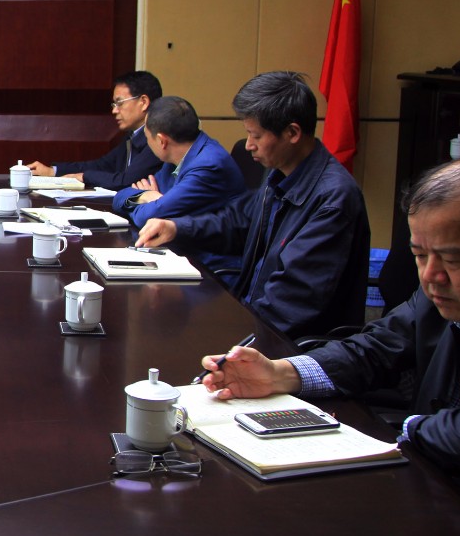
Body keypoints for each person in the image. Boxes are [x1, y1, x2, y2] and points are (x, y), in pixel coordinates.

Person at [199, 159, 460, 536]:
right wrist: (281, 374)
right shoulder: (451, 287)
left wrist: (393, 435)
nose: (431, 277)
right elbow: (377, 346)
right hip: (447, 505)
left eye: (453, 260)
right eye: (420, 255)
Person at [135, 71, 368, 340]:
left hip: (292, 346)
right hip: (255, 321)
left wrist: (236, 336)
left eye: (255, 135)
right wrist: (177, 228)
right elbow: (239, 222)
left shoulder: (332, 200)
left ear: (292, 132)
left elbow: (292, 302)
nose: (248, 146)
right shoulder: (279, 175)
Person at [114, 96, 244, 275]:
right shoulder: (177, 157)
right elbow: (120, 197)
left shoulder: (208, 166)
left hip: (208, 269)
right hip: (177, 255)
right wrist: (145, 196)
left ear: (162, 141)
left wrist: (155, 205)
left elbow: (149, 217)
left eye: (147, 137)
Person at [28, 71, 161, 189]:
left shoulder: (158, 140)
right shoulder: (132, 136)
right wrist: (53, 171)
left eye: (120, 103)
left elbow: (126, 181)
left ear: (143, 102)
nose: (114, 111)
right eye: (114, 104)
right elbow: (102, 165)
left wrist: (84, 177)